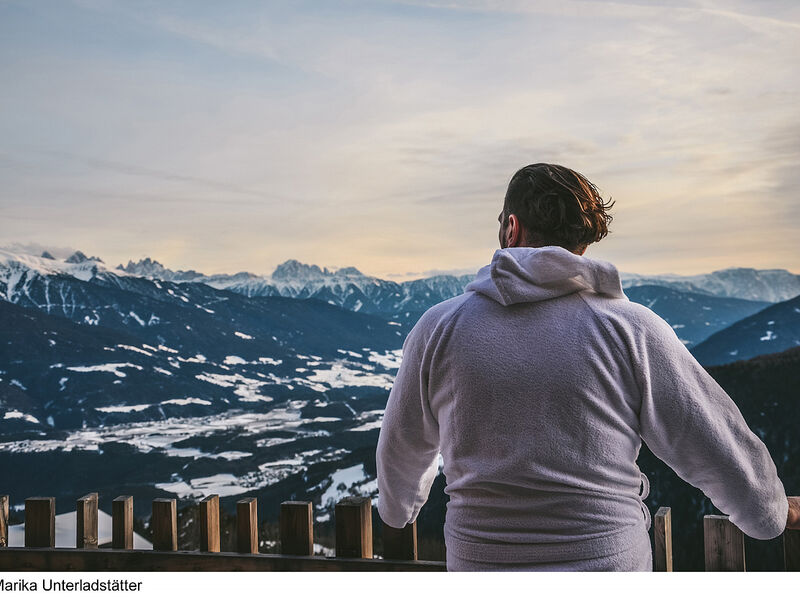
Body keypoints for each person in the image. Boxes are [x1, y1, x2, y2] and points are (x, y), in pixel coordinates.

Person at [375, 163, 799, 571]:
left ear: (511, 228)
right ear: (584, 239)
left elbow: (401, 449)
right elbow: (713, 442)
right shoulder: (631, 329)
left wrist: (399, 512)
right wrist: (770, 514)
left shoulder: (440, 328)